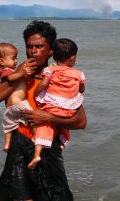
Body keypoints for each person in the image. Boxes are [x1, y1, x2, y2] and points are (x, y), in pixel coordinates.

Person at [0, 20, 87, 201]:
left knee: (54, 196)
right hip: (18, 146)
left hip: (47, 149)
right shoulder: (13, 74)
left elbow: (80, 122)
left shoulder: (61, 77)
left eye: (39, 46)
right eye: (29, 46)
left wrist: (47, 117)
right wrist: (19, 75)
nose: (33, 51)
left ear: (51, 51)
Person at [28, 38, 86, 169]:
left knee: (45, 126)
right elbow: (82, 89)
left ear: (52, 55)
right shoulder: (79, 73)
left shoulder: (51, 70)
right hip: (69, 106)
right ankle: (62, 142)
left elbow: (43, 84)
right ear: (72, 59)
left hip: (52, 104)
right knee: (64, 122)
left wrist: (36, 94)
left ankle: (37, 154)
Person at [0, 43, 33, 152]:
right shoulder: (6, 71)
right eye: (13, 58)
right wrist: (23, 72)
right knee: (33, 119)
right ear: (1, 61)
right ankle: (37, 136)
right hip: (18, 103)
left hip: (9, 107)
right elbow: (11, 78)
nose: (16, 61)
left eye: (16, 58)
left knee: (9, 126)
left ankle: (7, 144)